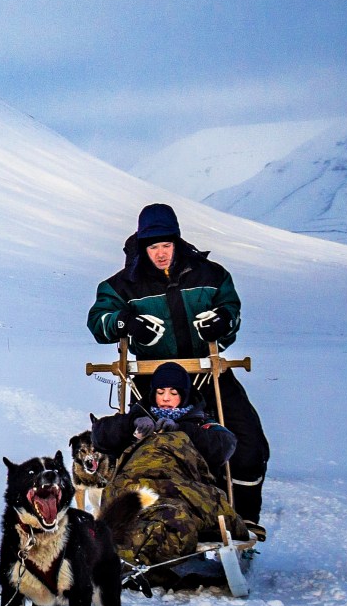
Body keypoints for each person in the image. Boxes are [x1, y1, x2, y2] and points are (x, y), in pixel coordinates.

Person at [87, 203, 270, 522]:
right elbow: (99, 320)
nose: (160, 253)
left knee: (249, 445)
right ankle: (150, 522)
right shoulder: (122, 285)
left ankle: (244, 522)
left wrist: (223, 320)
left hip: (208, 375)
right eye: (153, 246)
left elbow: (231, 308)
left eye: (166, 245)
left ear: (178, 241)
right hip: (154, 384)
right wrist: (123, 322)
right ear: (142, 246)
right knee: (144, 451)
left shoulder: (211, 275)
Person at [90, 360, 238, 486]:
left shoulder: (199, 421)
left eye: (173, 393)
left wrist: (182, 430)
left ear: (184, 396)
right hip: (137, 488)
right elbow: (99, 437)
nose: (166, 398)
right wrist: (131, 423)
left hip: (185, 488)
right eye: (160, 392)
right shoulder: (140, 415)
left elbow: (225, 445)